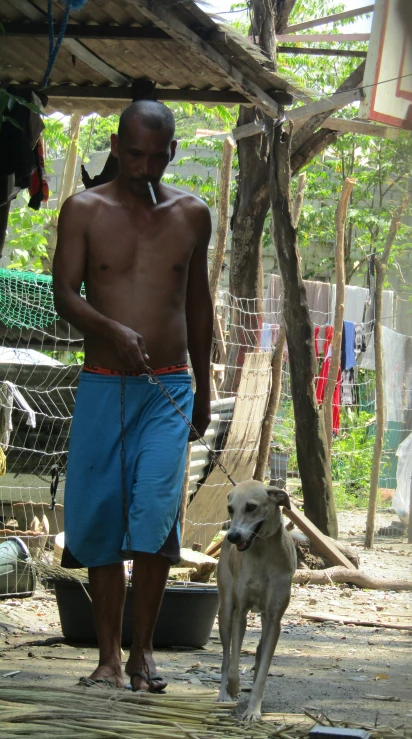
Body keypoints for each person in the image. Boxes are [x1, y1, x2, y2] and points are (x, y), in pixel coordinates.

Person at [53, 100, 213, 692]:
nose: (144, 167)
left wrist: (204, 390)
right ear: (116, 147)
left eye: (156, 156)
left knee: (153, 516)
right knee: (99, 522)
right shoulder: (84, 209)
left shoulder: (193, 214)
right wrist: (110, 330)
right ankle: (109, 659)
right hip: (103, 386)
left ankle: (145, 652)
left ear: (172, 152)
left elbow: (198, 305)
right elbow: (63, 293)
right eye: (134, 154)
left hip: (168, 386)